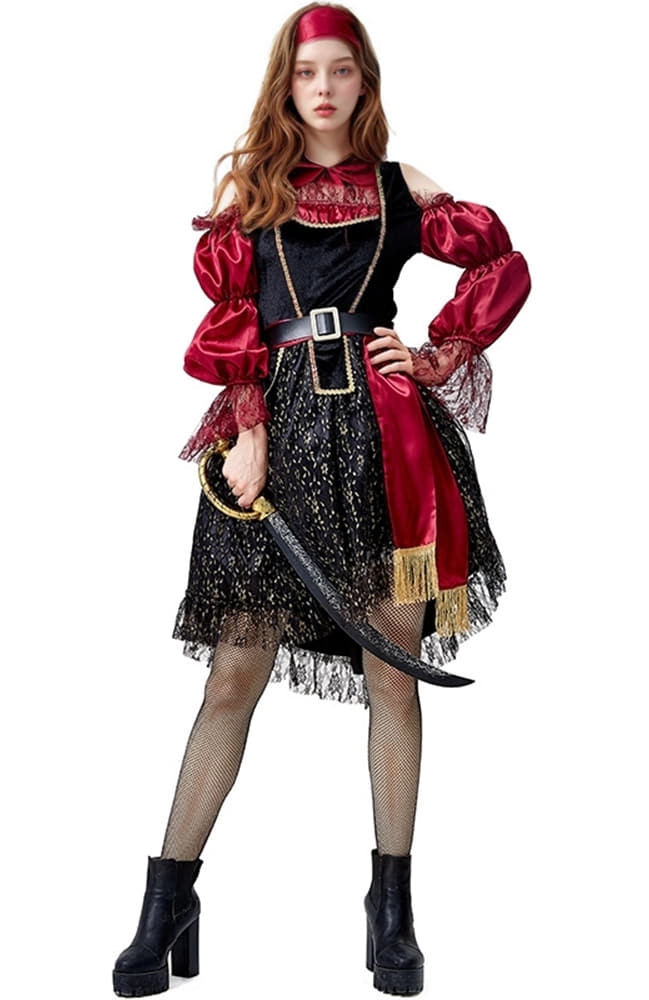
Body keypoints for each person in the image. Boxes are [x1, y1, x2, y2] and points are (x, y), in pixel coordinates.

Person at [112, 3, 530, 996]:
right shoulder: (253, 189)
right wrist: (250, 434)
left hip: (386, 439)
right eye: (308, 73)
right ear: (286, 85)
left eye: (342, 70)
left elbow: (500, 259)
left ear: (363, 82)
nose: (325, 88)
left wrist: (435, 353)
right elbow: (234, 320)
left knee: (392, 674)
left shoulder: (398, 186)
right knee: (233, 674)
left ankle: (391, 915)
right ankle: (167, 903)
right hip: (279, 436)